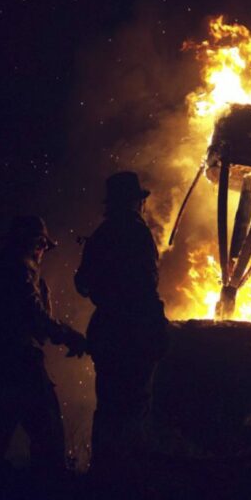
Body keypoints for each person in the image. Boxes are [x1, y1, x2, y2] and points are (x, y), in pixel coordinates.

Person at [0, 215, 87, 476]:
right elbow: (33, 315)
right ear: (36, 244)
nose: (43, 253)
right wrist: (67, 335)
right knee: (48, 433)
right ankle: (48, 499)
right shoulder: (20, 269)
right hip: (17, 362)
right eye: (43, 246)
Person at [75, 171, 168, 474]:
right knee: (134, 406)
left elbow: (83, 282)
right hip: (134, 330)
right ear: (135, 201)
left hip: (107, 330)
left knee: (109, 405)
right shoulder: (137, 231)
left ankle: (103, 474)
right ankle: (128, 478)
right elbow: (147, 282)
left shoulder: (102, 234)